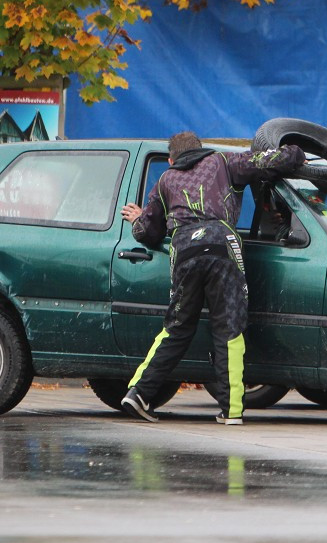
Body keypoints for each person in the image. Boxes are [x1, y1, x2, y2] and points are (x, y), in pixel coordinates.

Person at [120, 132, 305, 425]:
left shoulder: (165, 181)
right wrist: (296, 152)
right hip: (222, 247)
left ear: (171, 159)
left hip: (184, 252)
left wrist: (138, 219)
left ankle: (138, 394)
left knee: (176, 327)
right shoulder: (223, 161)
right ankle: (231, 410)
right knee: (228, 328)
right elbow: (267, 161)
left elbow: (148, 233)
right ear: (201, 150)